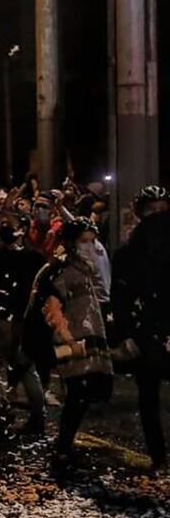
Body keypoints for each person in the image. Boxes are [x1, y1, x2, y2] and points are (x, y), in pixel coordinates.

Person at [24, 219, 113, 469]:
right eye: (84, 240)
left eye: (92, 240)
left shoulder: (83, 268)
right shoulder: (62, 271)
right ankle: (62, 449)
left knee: (80, 395)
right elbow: (52, 308)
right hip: (72, 340)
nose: (90, 246)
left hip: (85, 337)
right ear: (71, 243)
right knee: (76, 394)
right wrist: (68, 339)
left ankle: (64, 446)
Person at [0, 210, 48, 436]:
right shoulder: (9, 253)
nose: (5, 227)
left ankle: (31, 416)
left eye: (9, 224)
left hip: (15, 321)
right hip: (5, 320)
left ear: (22, 230)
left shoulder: (28, 257)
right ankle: (11, 411)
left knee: (19, 368)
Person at [111, 185, 170, 471]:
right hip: (145, 332)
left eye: (162, 210)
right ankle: (159, 456)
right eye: (152, 211)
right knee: (148, 396)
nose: (157, 217)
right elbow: (120, 299)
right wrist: (126, 335)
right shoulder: (128, 253)